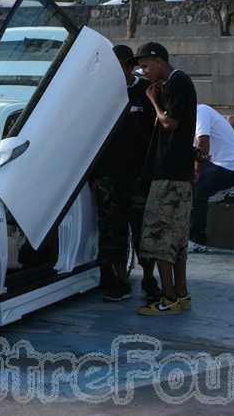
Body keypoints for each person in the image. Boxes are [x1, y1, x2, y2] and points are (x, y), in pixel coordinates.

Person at [131, 42, 196, 316]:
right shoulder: (173, 83)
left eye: (145, 65)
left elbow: (169, 123)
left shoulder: (178, 81)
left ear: (158, 61)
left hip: (169, 176)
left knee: (159, 238)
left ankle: (168, 298)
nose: (143, 71)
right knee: (177, 241)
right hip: (177, 175)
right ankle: (181, 296)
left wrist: (153, 100)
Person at [91, 45, 157, 302]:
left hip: (138, 175)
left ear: (130, 66)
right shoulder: (99, 94)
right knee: (111, 228)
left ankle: (150, 278)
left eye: (121, 66)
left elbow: (155, 134)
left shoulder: (145, 92)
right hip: (107, 174)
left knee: (142, 228)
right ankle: (118, 280)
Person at [189, 104, 234, 253]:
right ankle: (226, 189)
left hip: (230, 166)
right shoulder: (191, 118)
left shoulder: (199, 111)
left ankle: (196, 240)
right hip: (222, 164)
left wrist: (197, 172)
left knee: (198, 188)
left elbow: (203, 143)